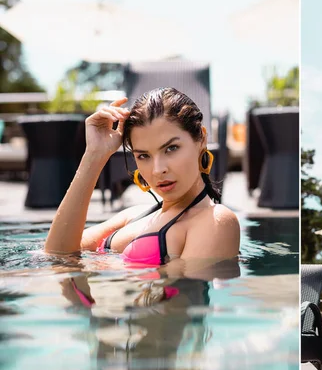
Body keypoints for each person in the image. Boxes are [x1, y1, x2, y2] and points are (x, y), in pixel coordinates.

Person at [44, 87, 240, 267]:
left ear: (201, 139)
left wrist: (103, 267)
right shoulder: (133, 216)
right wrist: (94, 155)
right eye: (143, 155)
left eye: (171, 148)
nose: (157, 170)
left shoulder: (216, 221)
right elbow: (56, 254)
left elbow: (183, 294)